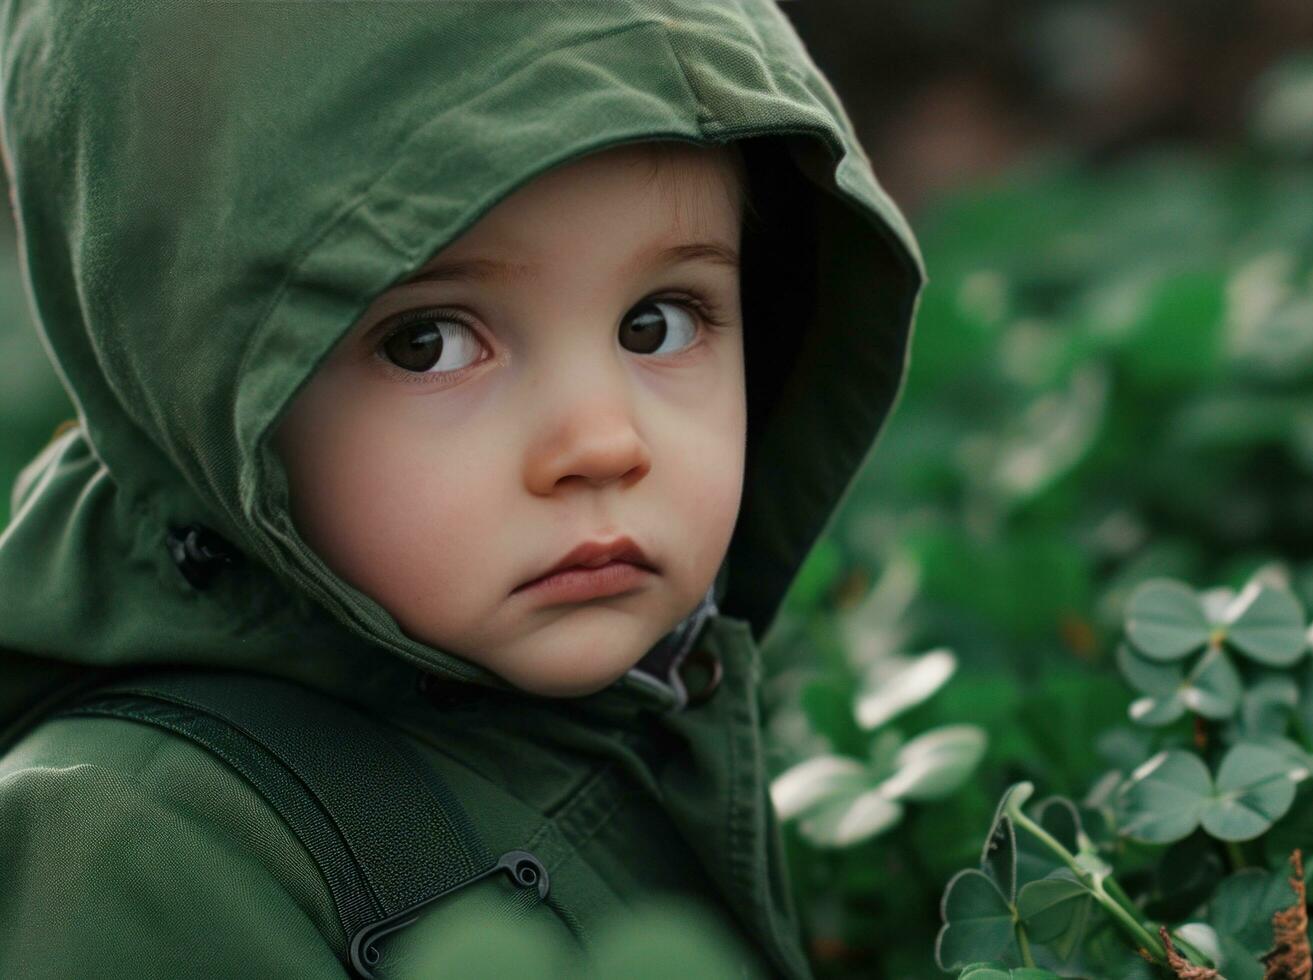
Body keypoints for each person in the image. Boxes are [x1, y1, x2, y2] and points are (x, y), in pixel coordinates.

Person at [0, 2, 924, 977]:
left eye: (659, 322)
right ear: (190, 370)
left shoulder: (629, 704)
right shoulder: (136, 854)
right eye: (429, 342)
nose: (603, 443)